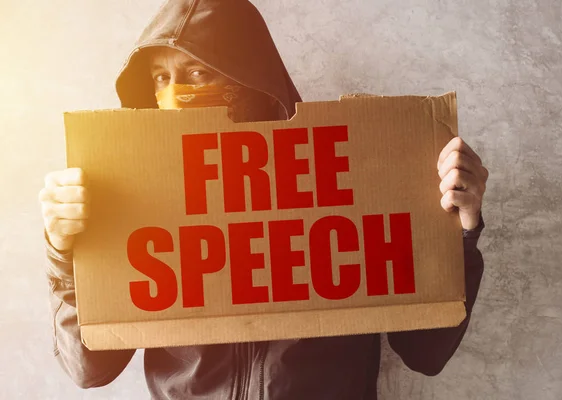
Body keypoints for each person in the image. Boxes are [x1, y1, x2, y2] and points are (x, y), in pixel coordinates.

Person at [38, 0, 488, 399]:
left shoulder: (355, 178)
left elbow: (424, 352)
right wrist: (65, 252)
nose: (174, 94)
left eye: (199, 72)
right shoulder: (131, 200)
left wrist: (459, 232)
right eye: (160, 77)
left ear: (252, 78)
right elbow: (89, 369)